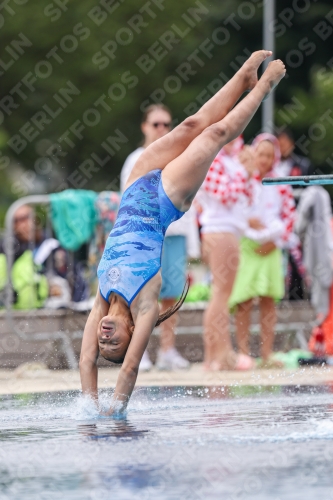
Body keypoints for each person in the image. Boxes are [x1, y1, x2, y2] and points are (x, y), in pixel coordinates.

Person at [79, 51, 286, 414]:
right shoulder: (144, 303)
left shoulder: (101, 299)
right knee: (214, 134)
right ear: (131, 334)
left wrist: (89, 403)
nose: (105, 338)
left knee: (191, 124)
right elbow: (128, 369)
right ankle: (265, 85)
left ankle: (243, 78)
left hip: (135, 184)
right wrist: (113, 409)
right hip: (164, 200)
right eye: (114, 344)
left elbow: (85, 363)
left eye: (103, 344)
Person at [120, 104, 200, 371]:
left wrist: (192, 243)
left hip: (174, 233)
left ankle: (167, 349)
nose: (162, 129)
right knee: (142, 294)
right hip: (146, 235)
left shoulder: (178, 156)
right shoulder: (135, 160)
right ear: (145, 127)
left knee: (171, 294)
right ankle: (139, 350)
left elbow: (190, 196)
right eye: (156, 124)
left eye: (166, 124)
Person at [229, 133, 295, 367]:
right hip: (247, 246)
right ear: (254, 154)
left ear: (275, 157)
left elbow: (289, 216)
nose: (265, 159)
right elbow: (234, 206)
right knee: (244, 300)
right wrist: (247, 222)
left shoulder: (281, 182)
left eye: (269, 155)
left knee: (268, 300)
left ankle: (266, 354)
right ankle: (244, 353)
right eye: (261, 154)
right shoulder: (244, 179)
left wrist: (276, 242)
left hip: (271, 247)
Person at [195, 136, 256, 371]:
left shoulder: (231, 161)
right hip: (219, 229)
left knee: (221, 293)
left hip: (228, 229)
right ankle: (219, 355)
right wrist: (244, 171)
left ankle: (217, 355)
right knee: (220, 293)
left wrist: (249, 171)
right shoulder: (215, 160)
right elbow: (226, 195)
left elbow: (248, 198)